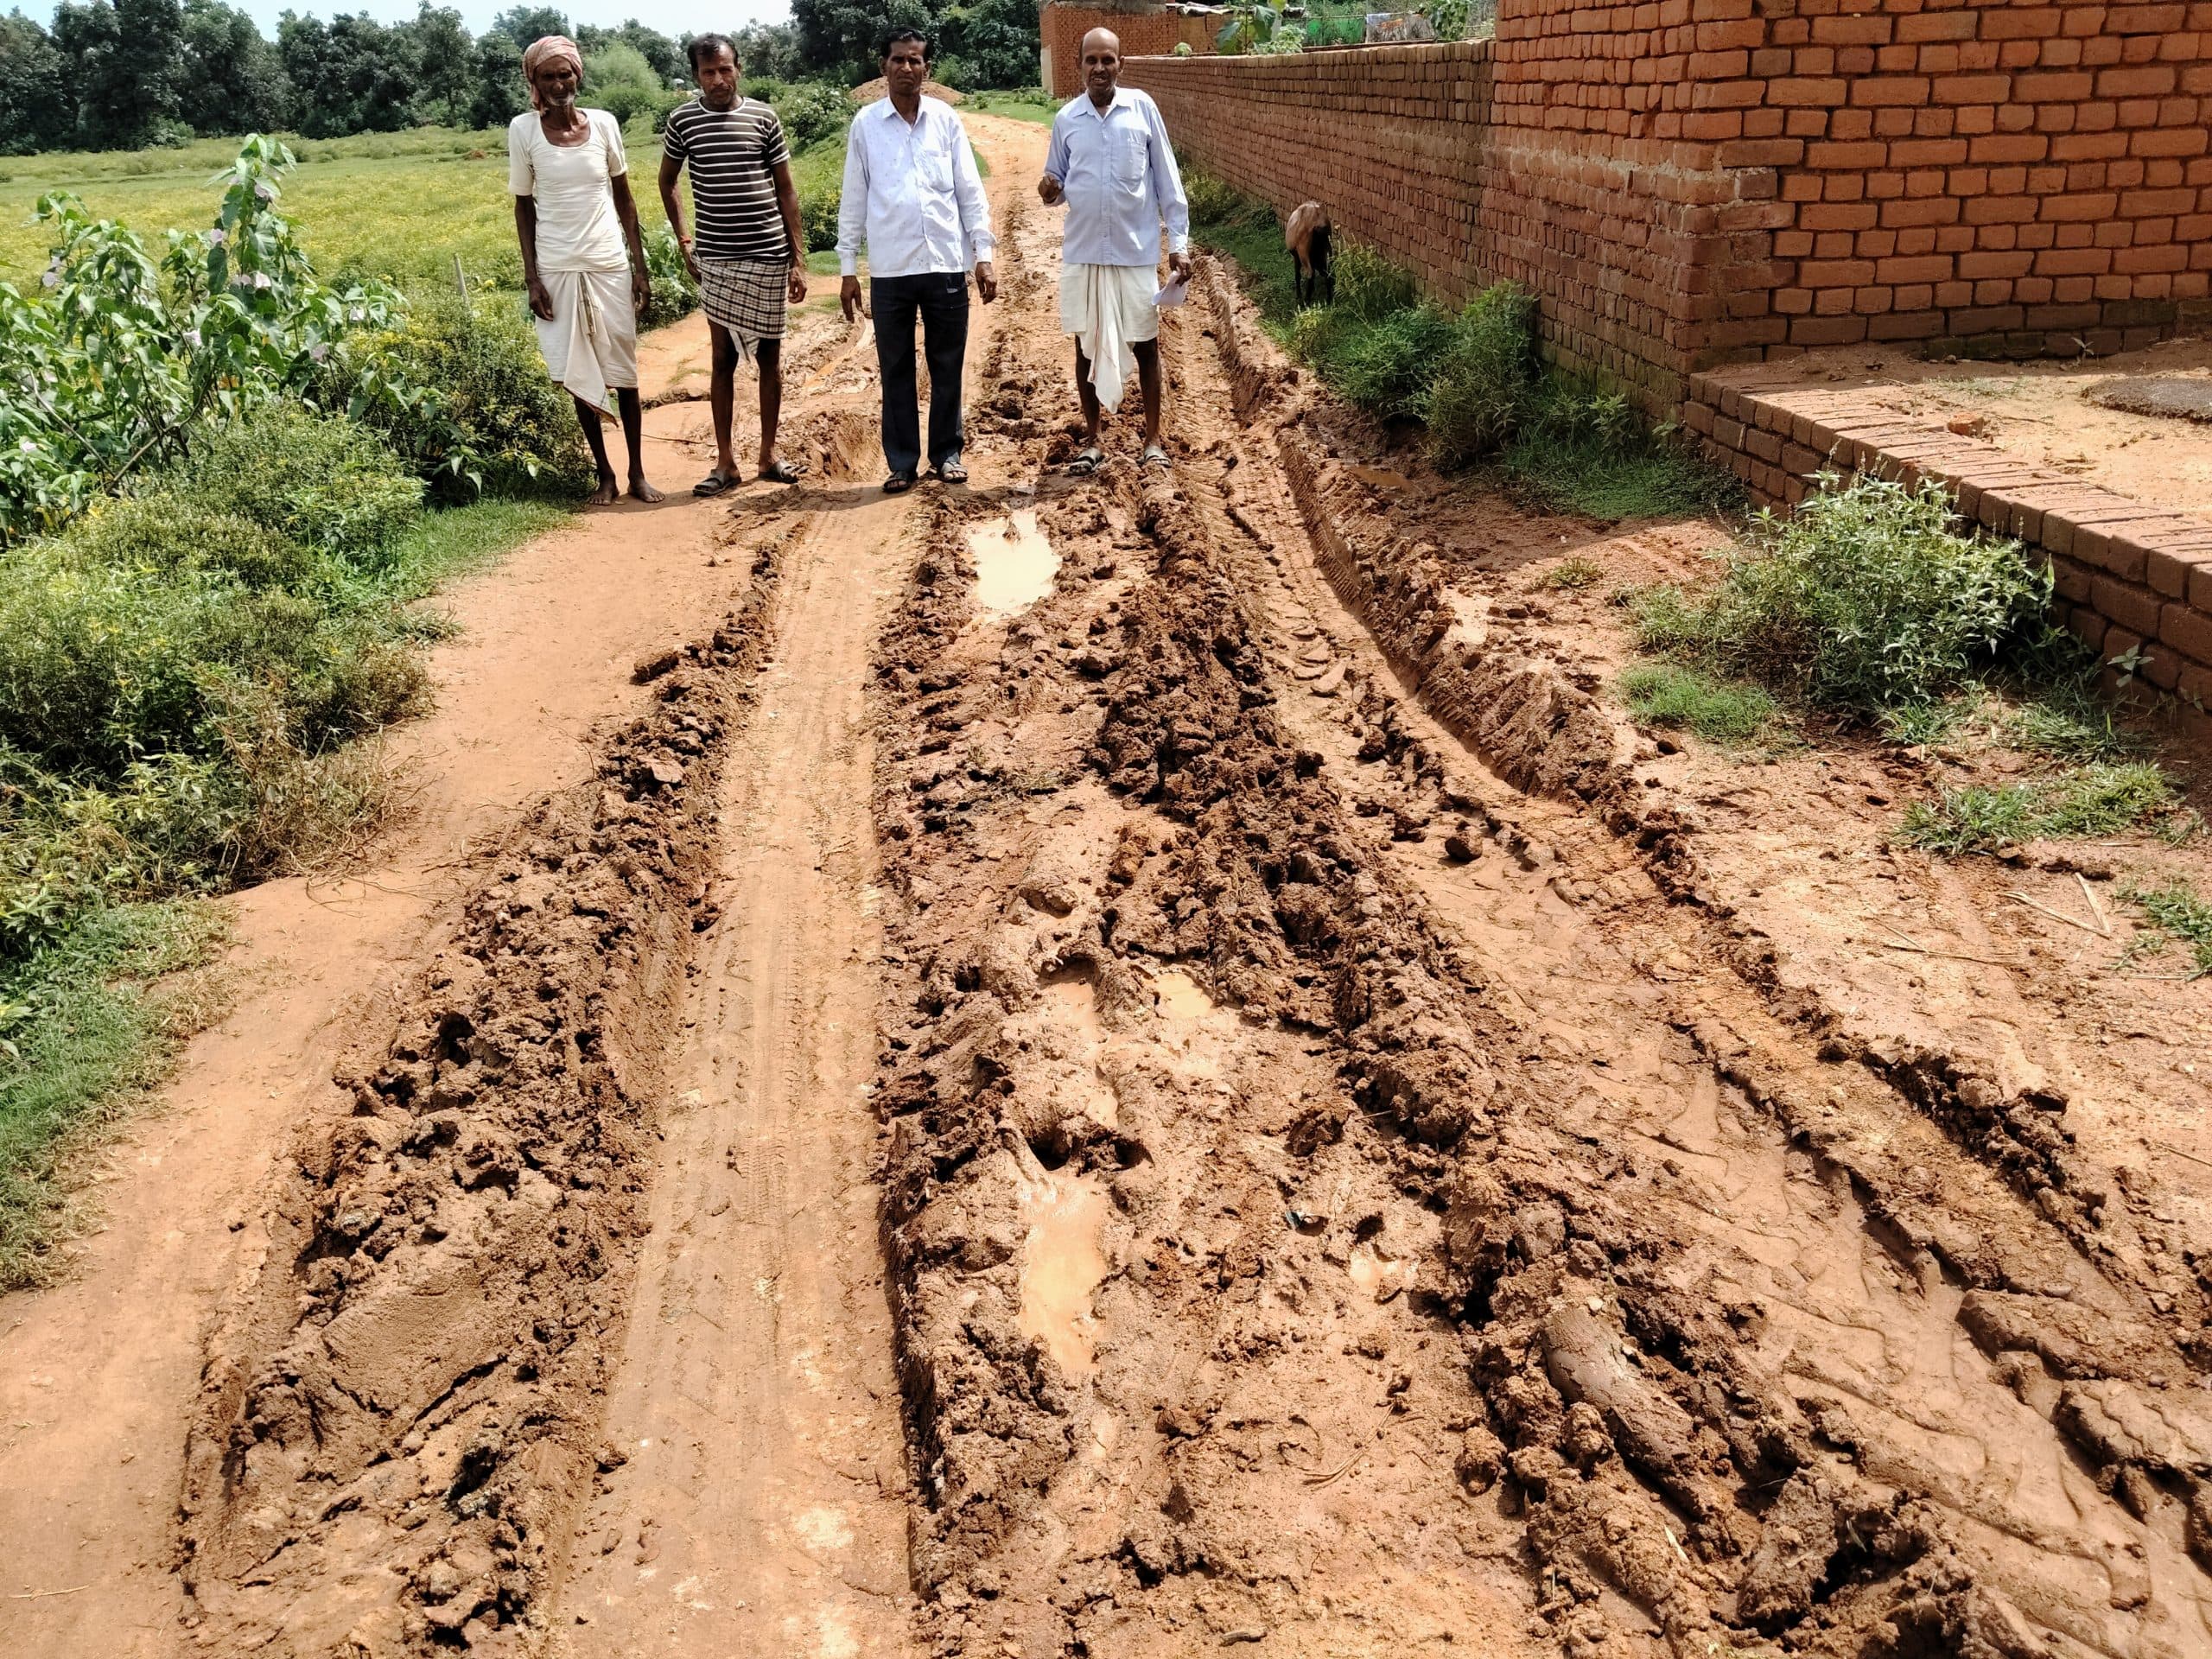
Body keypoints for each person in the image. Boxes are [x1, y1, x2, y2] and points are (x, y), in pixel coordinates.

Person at [836, 28, 997, 493]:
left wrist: (981, 257)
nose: (907, 68)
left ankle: (947, 453)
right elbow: (854, 200)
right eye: (898, 60)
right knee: (896, 368)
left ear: (927, 68)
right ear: (883, 66)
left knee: (947, 363)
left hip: (946, 262)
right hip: (890, 270)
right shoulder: (866, 125)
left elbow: (970, 191)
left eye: (916, 60)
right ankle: (902, 463)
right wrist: (848, 269)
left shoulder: (945, 120)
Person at [509, 34, 661, 504]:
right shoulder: (524, 131)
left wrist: (640, 267)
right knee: (577, 370)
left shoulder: (606, 124)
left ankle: (637, 473)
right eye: (549, 75)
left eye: (566, 72)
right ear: (534, 81)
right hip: (556, 267)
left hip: (608, 262)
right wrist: (532, 277)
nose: (560, 83)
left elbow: (624, 198)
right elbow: (523, 207)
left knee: (625, 369)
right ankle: (605, 475)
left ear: (579, 75)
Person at [658, 32, 810, 493]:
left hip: (767, 253)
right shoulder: (682, 121)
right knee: (721, 358)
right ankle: (725, 463)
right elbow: (667, 183)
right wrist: (685, 241)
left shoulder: (764, 116)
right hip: (717, 259)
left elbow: (785, 189)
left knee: (770, 356)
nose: (718, 79)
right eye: (709, 72)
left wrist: (797, 257)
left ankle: (768, 454)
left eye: (725, 69)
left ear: (738, 68)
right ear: (696, 76)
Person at [1039, 27, 1191, 474]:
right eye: (1092, 61)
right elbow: (1054, 183)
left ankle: (1153, 440)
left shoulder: (1142, 110)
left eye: (1108, 60)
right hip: (1084, 253)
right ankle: (1093, 440)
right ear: (1079, 66)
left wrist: (1178, 244)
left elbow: (1167, 181)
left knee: (1146, 344)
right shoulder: (1067, 118)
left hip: (1135, 252)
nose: (1100, 68)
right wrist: (1048, 187)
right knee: (1085, 346)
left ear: (1121, 65)